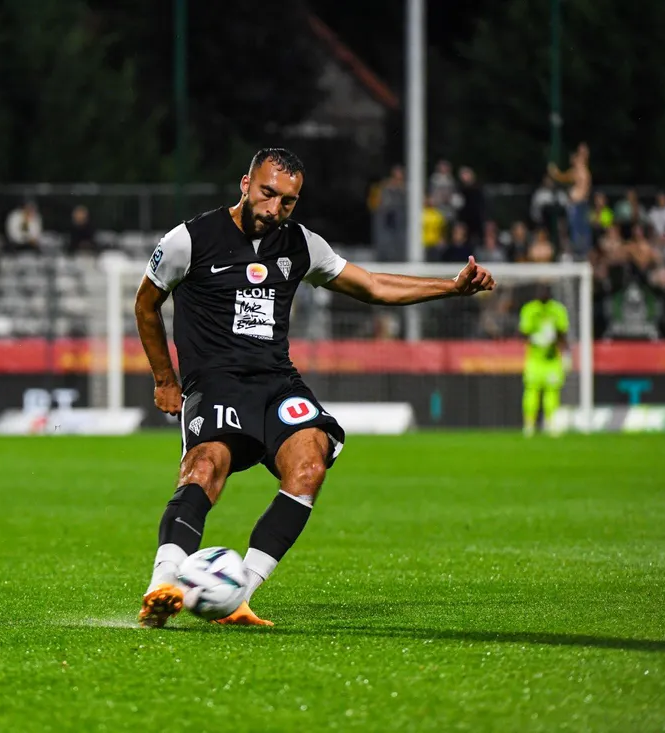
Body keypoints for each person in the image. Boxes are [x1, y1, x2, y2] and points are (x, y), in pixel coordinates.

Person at [134, 148, 495, 628]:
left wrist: (451, 287)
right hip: (216, 382)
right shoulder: (189, 239)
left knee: (310, 465)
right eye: (267, 193)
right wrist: (165, 379)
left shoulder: (301, 244)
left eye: (287, 201)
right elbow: (146, 304)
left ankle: (239, 596)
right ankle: (162, 584)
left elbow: (372, 285)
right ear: (245, 184)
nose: (274, 208)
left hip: (276, 382)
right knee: (205, 468)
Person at [519, 283, 569, 437]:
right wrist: (536, 338)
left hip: (552, 359)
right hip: (534, 359)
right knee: (531, 391)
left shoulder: (558, 310)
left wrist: (566, 354)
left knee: (552, 392)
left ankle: (551, 424)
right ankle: (529, 425)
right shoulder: (529, 309)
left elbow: (562, 334)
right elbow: (524, 333)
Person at [549, 143, 592, 257]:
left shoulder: (582, 171)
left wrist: (554, 172)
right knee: (576, 228)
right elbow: (563, 177)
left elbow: (561, 177)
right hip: (576, 203)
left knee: (579, 228)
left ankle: (581, 252)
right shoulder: (578, 171)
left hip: (579, 203)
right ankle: (577, 251)